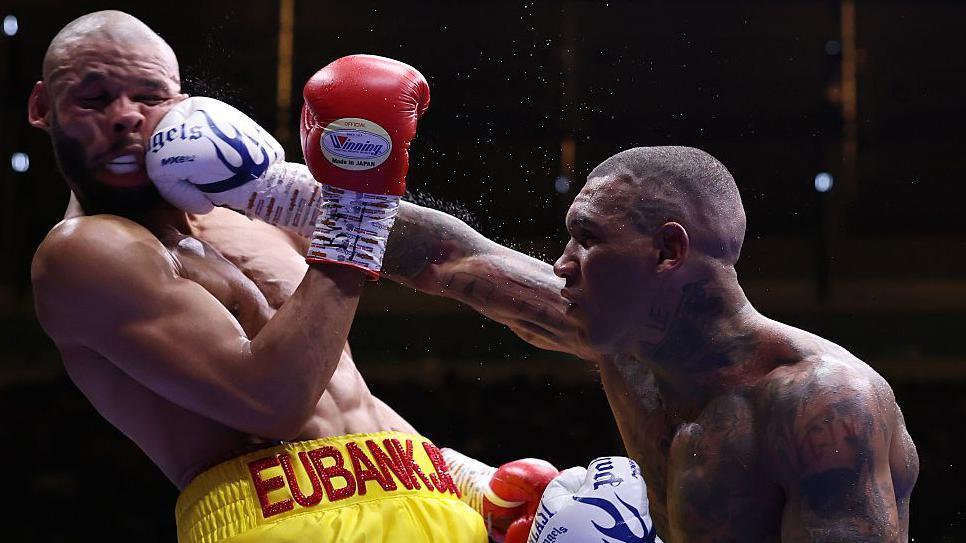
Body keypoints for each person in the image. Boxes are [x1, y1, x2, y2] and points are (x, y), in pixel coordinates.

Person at [27, 10, 560, 543]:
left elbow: (437, 258)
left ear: (181, 101)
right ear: (43, 108)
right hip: (279, 520)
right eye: (93, 99)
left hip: (420, 488)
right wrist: (355, 212)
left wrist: (466, 477)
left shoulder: (252, 206)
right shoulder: (82, 253)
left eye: (149, 95)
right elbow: (273, 403)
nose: (125, 117)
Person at [382, 146, 920, 541]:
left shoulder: (822, 405)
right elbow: (453, 259)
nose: (561, 264)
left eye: (587, 239)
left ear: (667, 251)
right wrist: (299, 194)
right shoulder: (626, 340)